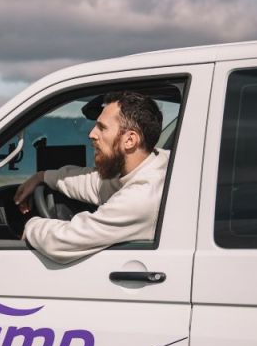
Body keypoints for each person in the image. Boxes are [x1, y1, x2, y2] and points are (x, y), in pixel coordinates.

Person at [14, 91, 167, 263]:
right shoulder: (153, 164)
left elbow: (65, 241)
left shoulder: (143, 195)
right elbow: (95, 182)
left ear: (130, 140)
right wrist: (42, 177)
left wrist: (30, 226)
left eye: (102, 128)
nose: (92, 134)